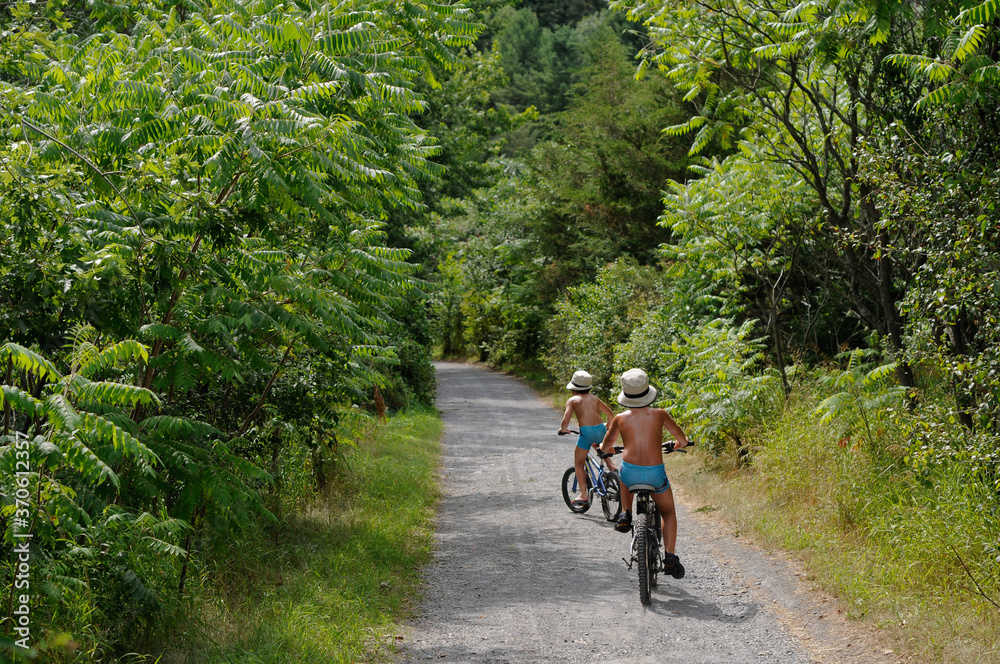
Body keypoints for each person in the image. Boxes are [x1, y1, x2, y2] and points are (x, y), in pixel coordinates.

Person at [601, 368, 689, 578]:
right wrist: (677, 445)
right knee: (667, 511)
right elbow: (682, 439)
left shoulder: (620, 418)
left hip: (631, 474)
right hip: (654, 475)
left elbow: (606, 446)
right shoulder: (660, 414)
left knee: (623, 471)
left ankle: (626, 512)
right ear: (647, 392)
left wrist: (609, 450)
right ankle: (670, 556)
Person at [558, 370, 616, 507]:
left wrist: (563, 430)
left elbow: (565, 420)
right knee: (599, 445)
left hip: (586, 432)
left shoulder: (572, 400)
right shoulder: (595, 398)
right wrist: (607, 426)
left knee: (579, 463)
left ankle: (583, 494)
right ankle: (611, 465)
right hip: (600, 429)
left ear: (573, 389)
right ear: (589, 388)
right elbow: (610, 414)